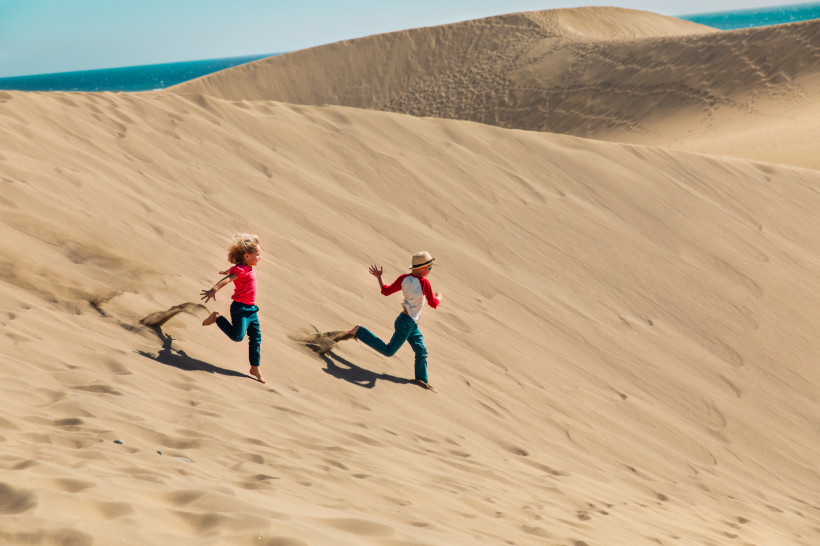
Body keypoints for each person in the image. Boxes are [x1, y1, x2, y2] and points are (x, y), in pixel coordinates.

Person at [346, 251, 442, 391]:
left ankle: (422, 381)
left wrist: (379, 277)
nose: (430, 270)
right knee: (388, 351)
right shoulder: (424, 283)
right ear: (423, 268)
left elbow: (385, 291)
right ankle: (359, 331)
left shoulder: (404, 278)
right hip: (406, 324)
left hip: (409, 323)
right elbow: (433, 304)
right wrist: (439, 297)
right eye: (430, 267)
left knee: (421, 351)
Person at [201, 233, 265, 384]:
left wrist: (228, 270)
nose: (260, 257)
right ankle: (217, 317)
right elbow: (228, 280)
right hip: (240, 309)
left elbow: (234, 270)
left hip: (251, 310)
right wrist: (214, 289)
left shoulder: (243, 268)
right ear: (247, 256)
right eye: (258, 255)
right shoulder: (242, 271)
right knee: (237, 337)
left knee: (256, 338)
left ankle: (254, 367)